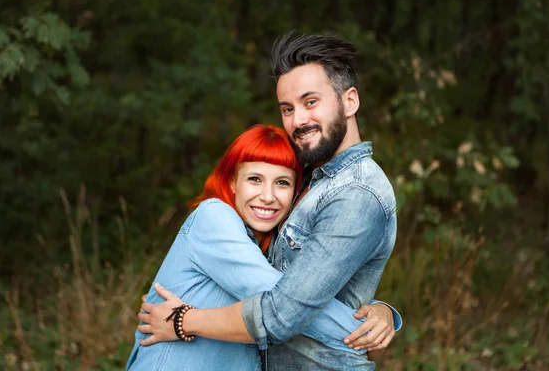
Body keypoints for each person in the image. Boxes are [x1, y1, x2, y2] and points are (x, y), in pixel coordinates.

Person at [126, 125, 399, 371]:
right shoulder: (214, 218)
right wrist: (361, 327)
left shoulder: (263, 249)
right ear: (233, 182)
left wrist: (380, 310)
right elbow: (285, 304)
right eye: (254, 179)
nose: (268, 196)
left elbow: (297, 291)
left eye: (282, 182)